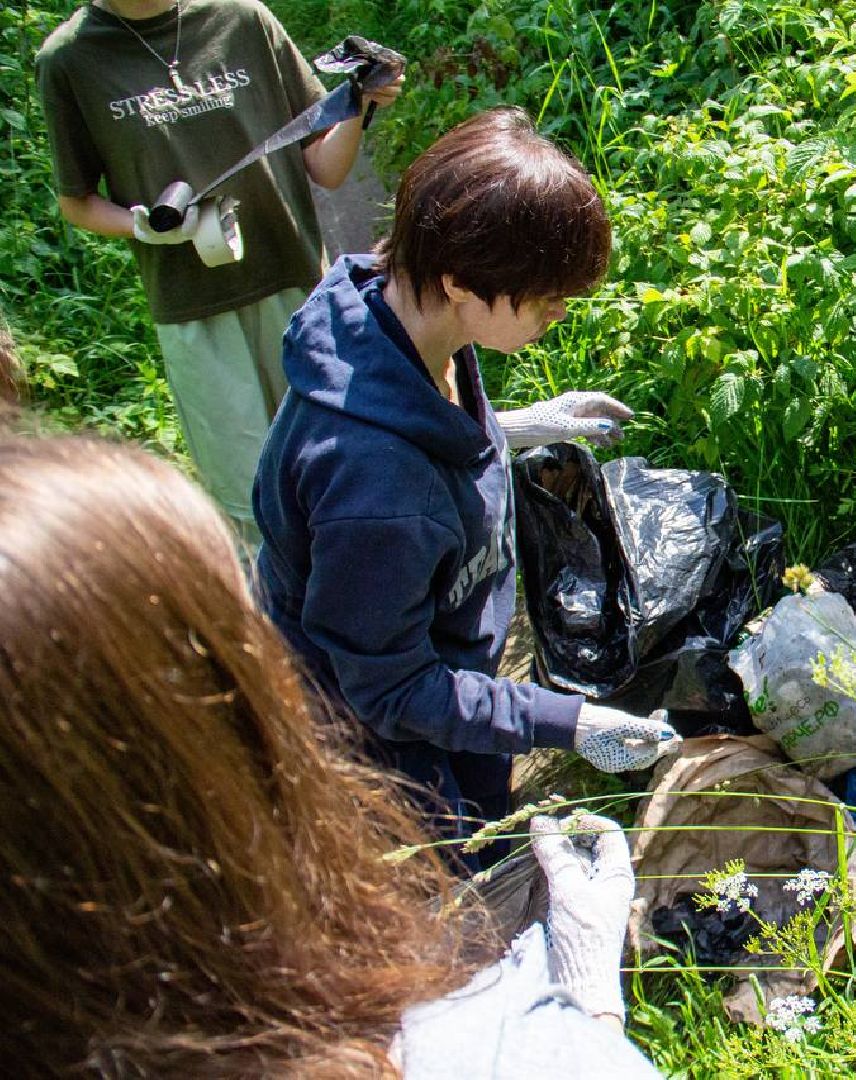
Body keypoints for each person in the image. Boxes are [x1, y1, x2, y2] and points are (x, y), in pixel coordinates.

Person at [0, 425, 659, 1077]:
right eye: (240, 633)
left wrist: (494, 430)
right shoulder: (479, 1050)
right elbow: (398, 687)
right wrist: (587, 1004)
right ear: (191, 746)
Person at [254, 107, 677, 865]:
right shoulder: (377, 496)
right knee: (448, 873)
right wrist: (569, 723)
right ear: (457, 280)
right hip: (383, 732)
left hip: (453, 658)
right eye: (544, 298)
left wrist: (509, 427)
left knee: (488, 801)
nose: (558, 313)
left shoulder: (397, 316)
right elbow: (391, 691)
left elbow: (418, 431)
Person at [36, 0, 402, 541]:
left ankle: (360, 607)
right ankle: (270, 621)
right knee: (251, 500)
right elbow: (76, 201)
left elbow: (324, 166)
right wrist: (141, 225)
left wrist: (359, 103)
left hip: (295, 286)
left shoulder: (243, 20)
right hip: (193, 310)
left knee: (338, 466)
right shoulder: (69, 58)